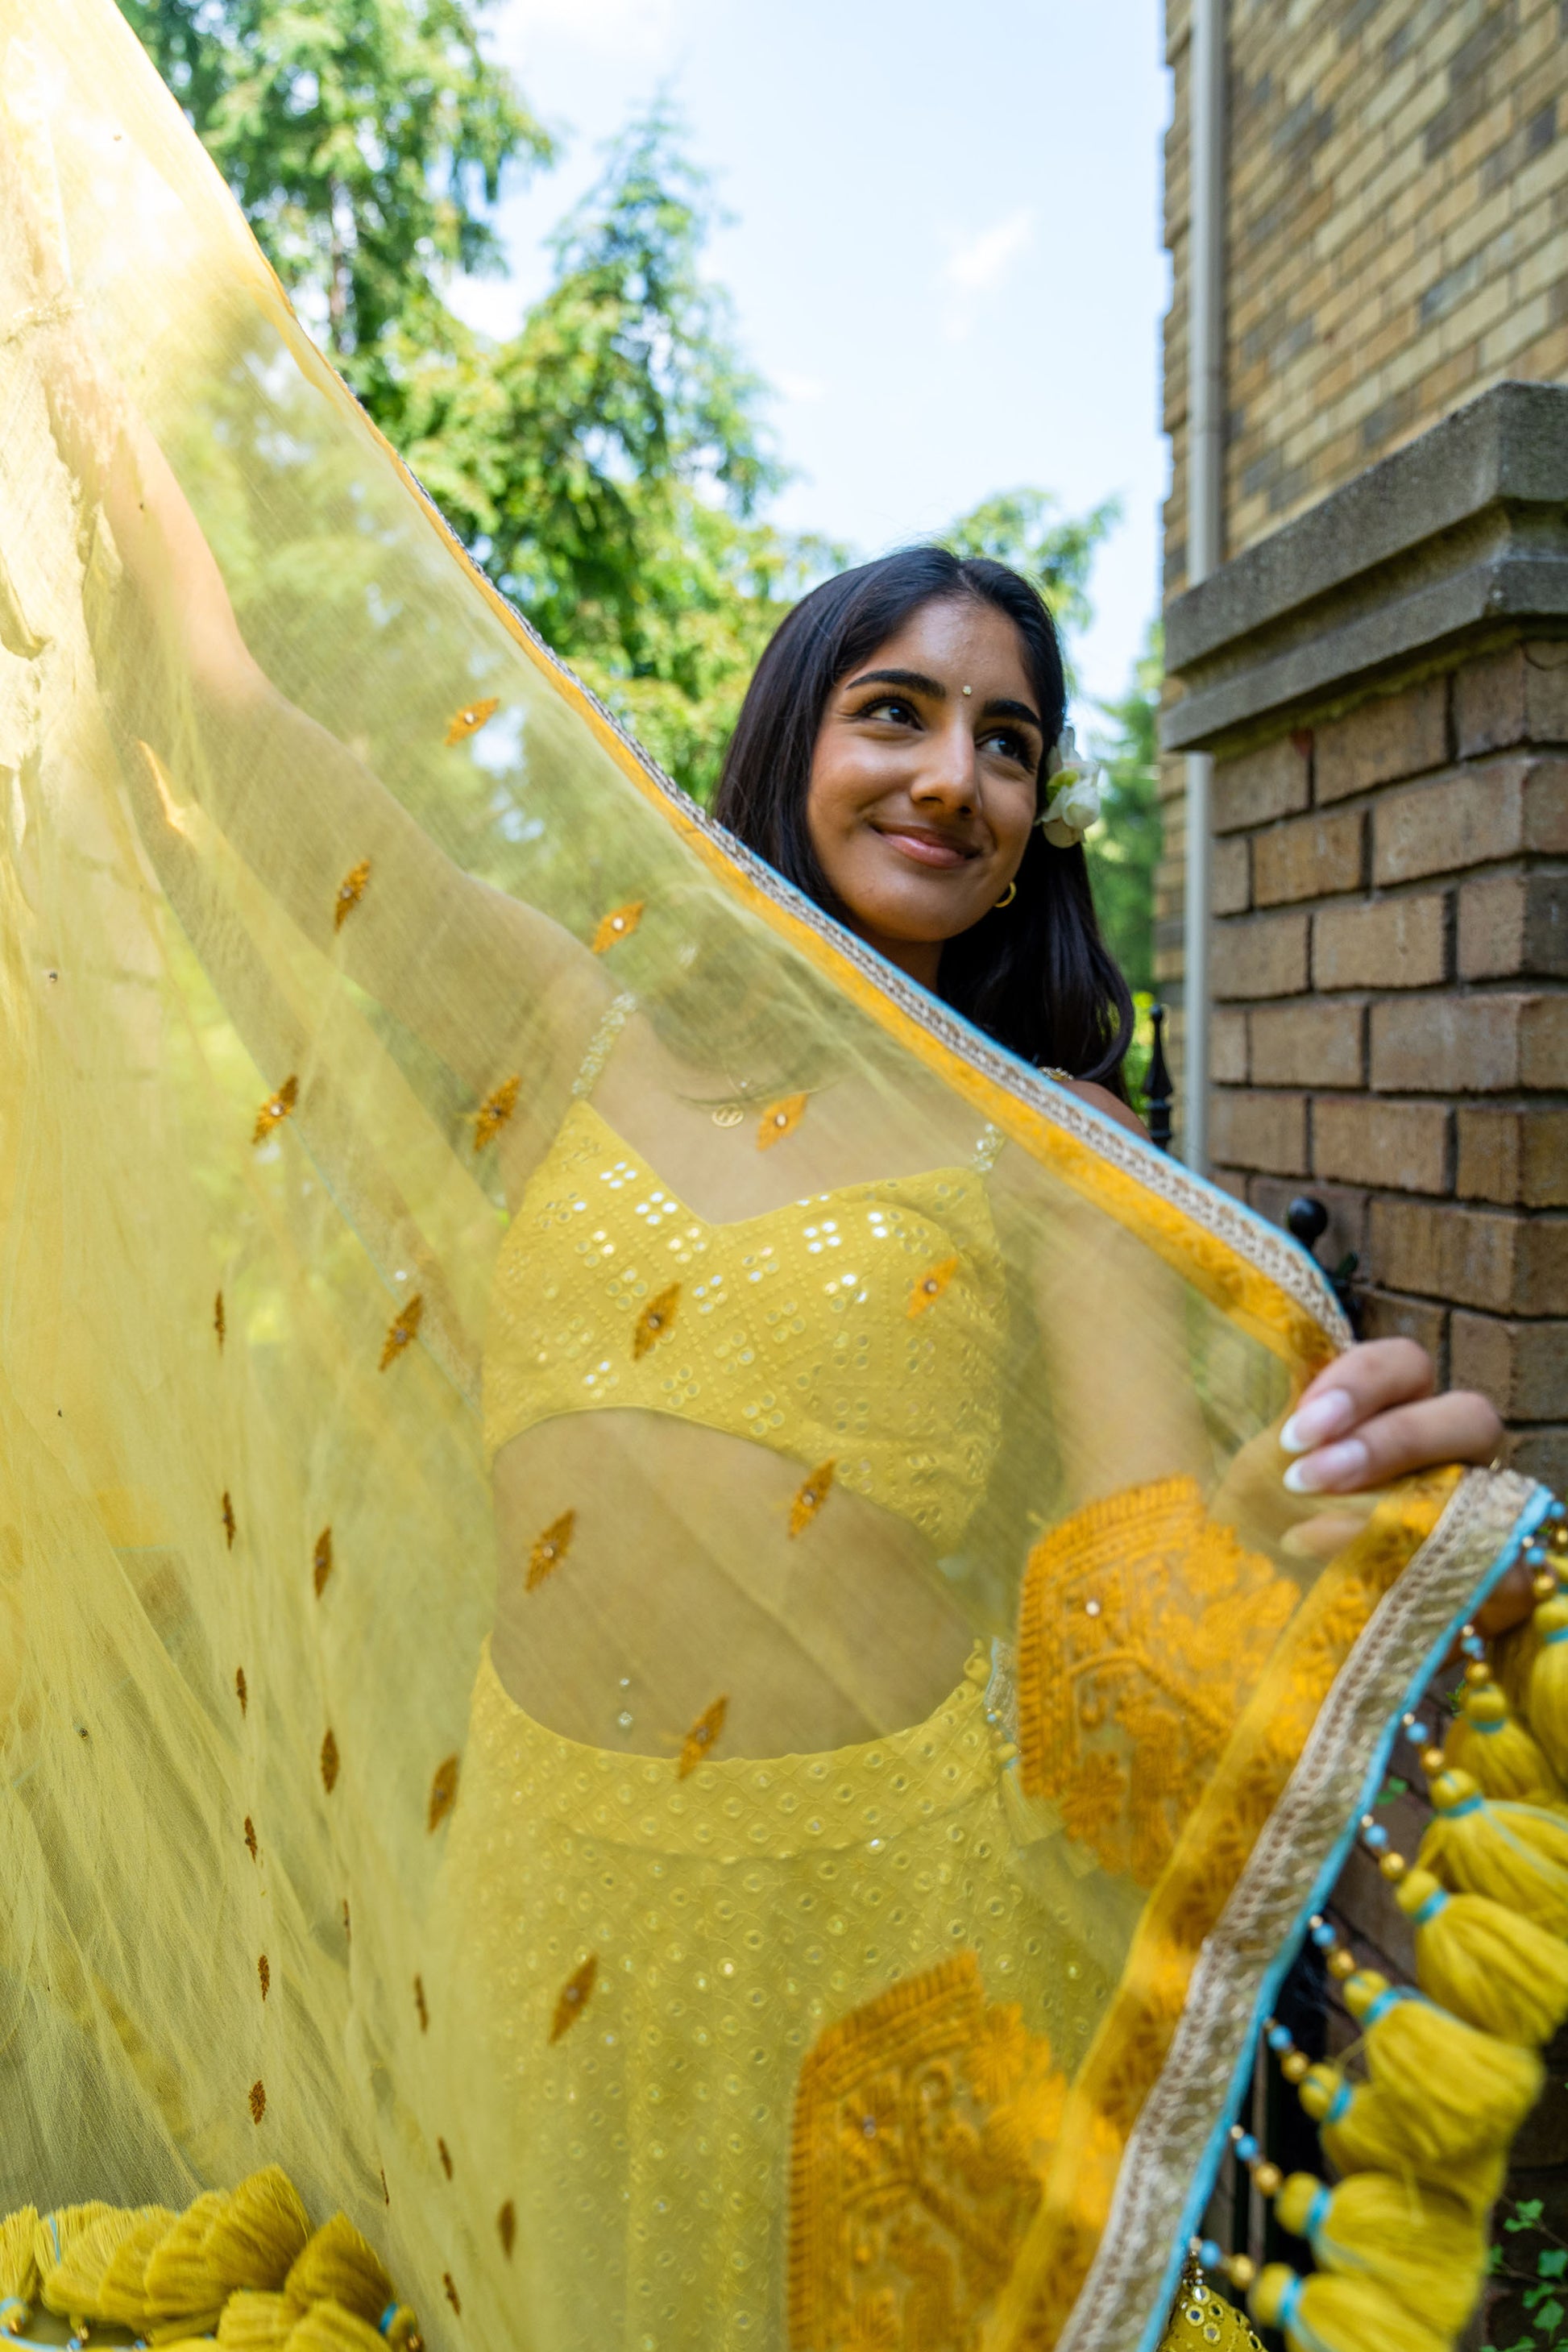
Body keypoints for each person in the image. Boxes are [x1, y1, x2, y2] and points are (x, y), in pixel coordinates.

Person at [0, 27, 1552, 2352]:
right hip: (530, 1885)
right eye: (893, 710)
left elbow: (1131, 1586)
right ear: (793, 739)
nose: (952, 778)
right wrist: (64, 355)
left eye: (1008, 742)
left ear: (1032, 829)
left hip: (864, 1916)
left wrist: (1299, 1519)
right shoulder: (569, 1029)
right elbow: (241, 731)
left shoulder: (1056, 1146)